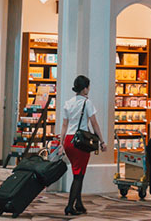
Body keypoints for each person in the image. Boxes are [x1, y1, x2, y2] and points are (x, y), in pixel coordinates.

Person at [60, 75, 104, 217]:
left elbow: (64, 125)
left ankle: (78, 204)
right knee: (78, 176)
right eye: (88, 87)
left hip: (69, 140)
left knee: (77, 172)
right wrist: (102, 141)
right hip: (81, 142)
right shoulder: (87, 103)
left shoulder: (68, 103)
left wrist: (61, 144)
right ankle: (69, 206)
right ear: (85, 88)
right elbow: (94, 123)